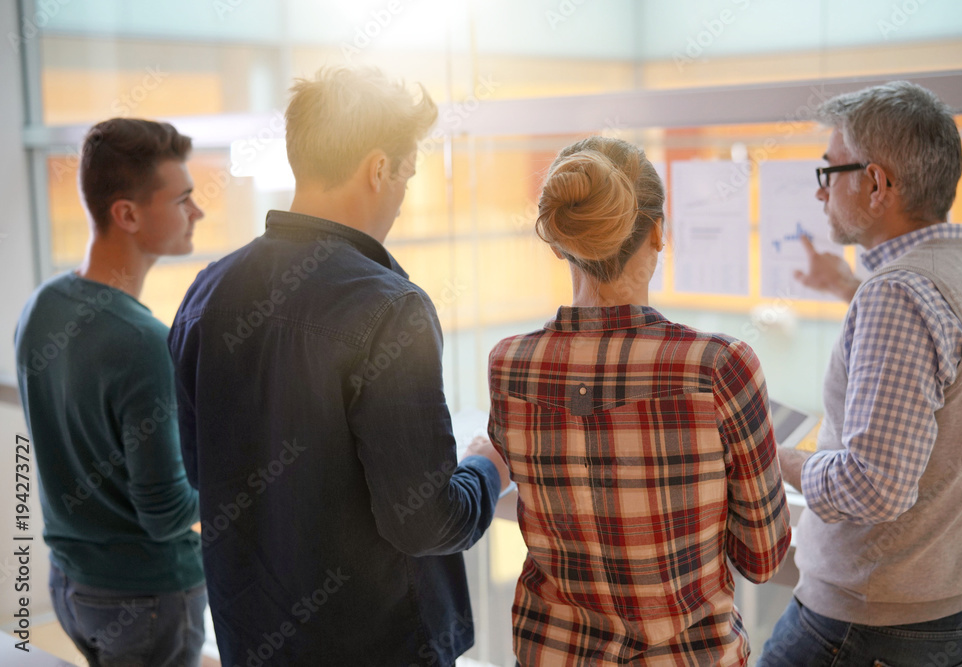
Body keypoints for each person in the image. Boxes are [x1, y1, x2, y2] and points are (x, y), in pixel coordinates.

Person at [167, 67, 509, 666]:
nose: (403, 195)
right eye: (406, 173)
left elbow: (202, 471)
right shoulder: (388, 308)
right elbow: (426, 523)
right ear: (379, 169)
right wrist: (487, 466)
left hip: (252, 639)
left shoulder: (206, 293)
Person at [487, 136, 791, 666]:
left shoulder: (510, 365)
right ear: (657, 232)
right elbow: (763, 560)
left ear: (560, 242)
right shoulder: (719, 366)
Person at [760, 81, 962, 665]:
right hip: (959, 604)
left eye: (828, 172)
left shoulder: (898, 295)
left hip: (868, 625)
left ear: (876, 183)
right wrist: (847, 286)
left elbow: (875, 486)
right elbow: (940, 358)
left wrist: (772, 455)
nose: (821, 194)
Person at [14, 118, 206, 666]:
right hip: (147, 598)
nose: (199, 211)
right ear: (127, 213)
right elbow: (167, 513)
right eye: (185, 199)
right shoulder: (144, 342)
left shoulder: (41, 307)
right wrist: (243, 465)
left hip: (71, 589)